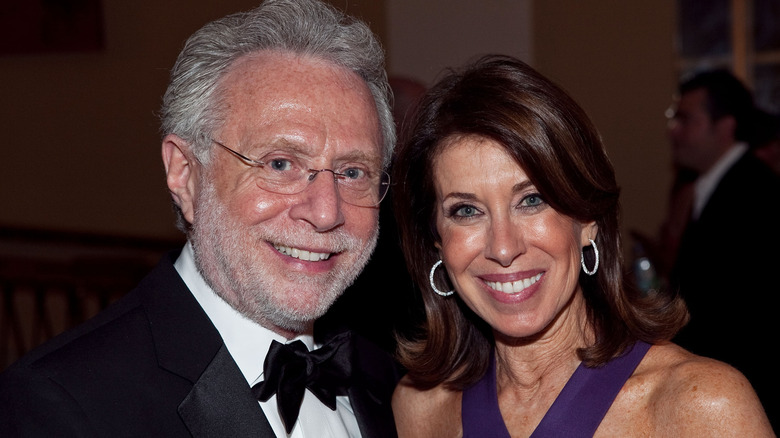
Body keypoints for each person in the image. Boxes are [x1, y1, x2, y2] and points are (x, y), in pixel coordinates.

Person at [0, 0, 400, 436]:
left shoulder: (393, 385)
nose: (326, 212)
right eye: (280, 164)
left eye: (353, 172)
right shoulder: (62, 405)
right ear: (185, 174)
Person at [390, 55, 773, 437]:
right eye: (467, 210)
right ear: (437, 240)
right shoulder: (421, 408)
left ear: (587, 219)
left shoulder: (699, 405)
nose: (503, 248)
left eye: (532, 200)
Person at [667, 69, 780, 429]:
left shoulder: (754, 194)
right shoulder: (718, 185)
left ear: (725, 125)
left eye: (686, 119)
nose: (674, 130)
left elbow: (735, 313)